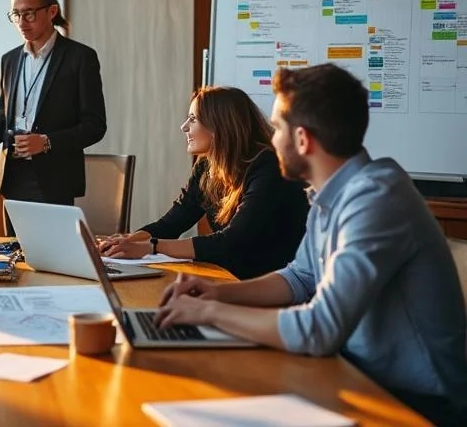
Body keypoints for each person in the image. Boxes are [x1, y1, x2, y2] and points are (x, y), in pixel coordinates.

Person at [155, 64, 467, 426]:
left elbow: (320, 329)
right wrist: (215, 293)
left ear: (302, 140)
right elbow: (300, 278)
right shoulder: (331, 193)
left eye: (277, 129)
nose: (270, 140)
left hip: (418, 404)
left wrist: (208, 314)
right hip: (356, 375)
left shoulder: (377, 200)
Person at [99, 86, 309, 279]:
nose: (184, 127)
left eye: (193, 118)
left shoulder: (269, 167)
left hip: (270, 284)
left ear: (220, 125)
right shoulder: (206, 167)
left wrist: (150, 247)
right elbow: (171, 224)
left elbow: (231, 242)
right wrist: (127, 242)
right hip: (230, 277)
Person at [0, 0, 106, 236]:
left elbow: (95, 126)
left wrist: (46, 141)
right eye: (16, 15)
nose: (22, 22)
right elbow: (5, 118)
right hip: (13, 178)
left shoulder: (80, 58)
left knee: (55, 264)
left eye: (29, 14)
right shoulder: (9, 60)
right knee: (16, 263)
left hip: (55, 181)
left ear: (52, 11)